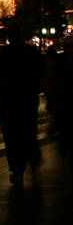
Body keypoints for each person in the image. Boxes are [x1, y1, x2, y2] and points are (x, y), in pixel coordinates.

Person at [0, 25, 45, 186]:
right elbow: (42, 75)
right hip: (28, 100)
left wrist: (2, 90)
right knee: (28, 132)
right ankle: (32, 161)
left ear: (9, 38)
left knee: (11, 137)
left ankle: (16, 170)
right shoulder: (32, 53)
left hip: (9, 101)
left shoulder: (2, 55)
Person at [44, 38, 73, 169]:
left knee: (63, 126)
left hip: (61, 101)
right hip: (63, 101)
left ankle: (64, 148)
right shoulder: (60, 61)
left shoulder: (59, 61)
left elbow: (50, 79)